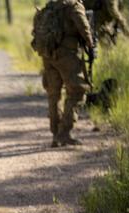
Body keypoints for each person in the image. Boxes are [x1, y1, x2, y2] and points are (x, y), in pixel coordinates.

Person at [36, 0, 94, 147]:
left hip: (48, 54)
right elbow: (83, 26)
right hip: (67, 55)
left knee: (53, 94)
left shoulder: (50, 6)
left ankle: (55, 133)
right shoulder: (73, 6)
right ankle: (64, 133)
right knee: (77, 91)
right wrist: (90, 45)